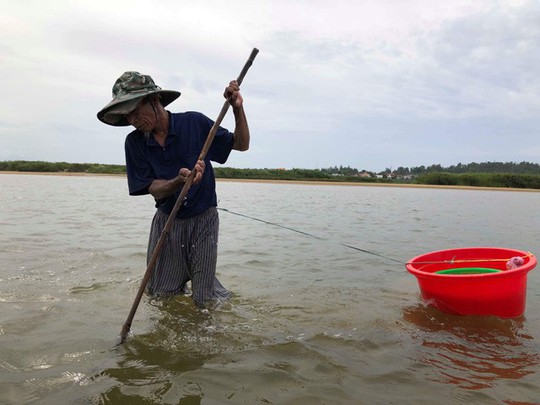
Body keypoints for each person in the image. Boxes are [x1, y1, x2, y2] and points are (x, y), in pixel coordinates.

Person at [97, 71, 249, 308]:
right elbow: (153, 189)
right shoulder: (134, 142)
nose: (133, 120)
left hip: (204, 221)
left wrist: (237, 108)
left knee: (204, 300)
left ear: (154, 101)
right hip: (167, 223)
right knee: (161, 297)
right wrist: (179, 181)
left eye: (136, 111)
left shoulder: (194, 123)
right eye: (127, 115)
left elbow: (241, 144)